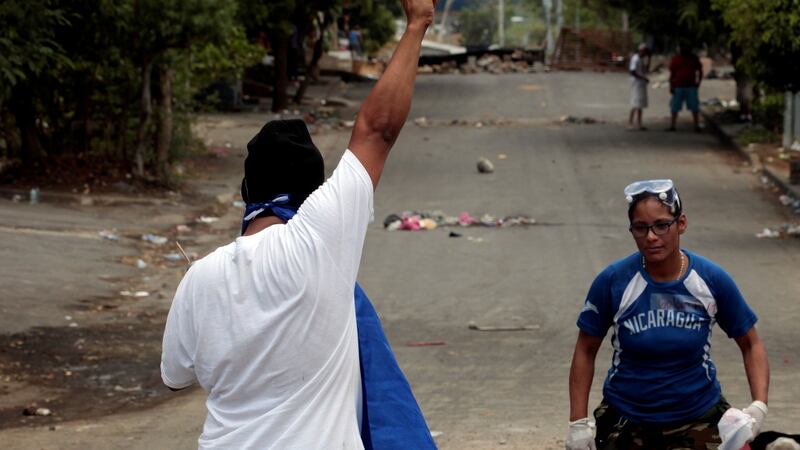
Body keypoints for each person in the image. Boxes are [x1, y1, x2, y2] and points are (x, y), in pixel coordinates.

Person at [160, 1, 438, 449]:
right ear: (314, 196)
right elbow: (377, 130)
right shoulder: (319, 237)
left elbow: (175, 377)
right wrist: (417, 23)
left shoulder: (198, 278)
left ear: (246, 191)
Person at [566, 179, 770, 450]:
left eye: (662, 225)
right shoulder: (614, 281)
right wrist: (578, 424)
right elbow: (585, 349)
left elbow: (751, 343)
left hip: (699, 417)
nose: (651, 236)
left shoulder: (710, 279)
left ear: (681, 224)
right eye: (641, 228)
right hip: (626, 419)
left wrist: (758, 406)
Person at [668, 45, 704, 132]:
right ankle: (673, 125)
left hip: (690, 86)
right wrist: (671, 86)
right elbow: (672, 74)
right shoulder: (676, 59)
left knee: (694, 107)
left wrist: (698, 82)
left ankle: (696, 126)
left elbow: (700, 70)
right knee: (674, 107)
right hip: (679, 86)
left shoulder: (693, 59)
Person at [628, 43, 650, 131]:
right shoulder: (635, 58)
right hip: (637, 84)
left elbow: (645, 69)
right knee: (635, 103)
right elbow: (632, 71)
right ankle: (630, 123)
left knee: (640, 104)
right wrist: (642, 77)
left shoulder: (641, 59)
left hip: (641, 83)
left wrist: (649, 58)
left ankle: (639, 123)